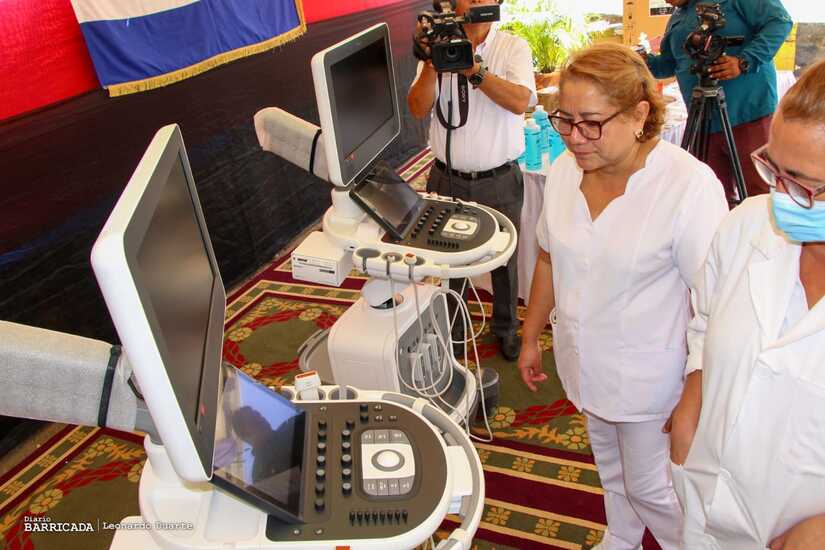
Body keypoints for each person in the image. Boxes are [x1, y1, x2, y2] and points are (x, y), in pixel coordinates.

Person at [517, 43, 728, 550]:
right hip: (585, 360)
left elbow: (717, 305)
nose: (574, 137)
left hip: (650, 379)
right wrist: (530, 336)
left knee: (652, 488)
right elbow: (548, 256)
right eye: (564, 120)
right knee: (610, 469)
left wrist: (696, 395)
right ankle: (621, 534)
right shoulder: (566, 169)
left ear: (638, 115)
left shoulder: (687, 186)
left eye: (591, 123)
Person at [667, 59, 825, 549]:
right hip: (707, 496)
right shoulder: (748, 225)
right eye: (772, 169)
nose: (779, 197)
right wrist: (693, 397)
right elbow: (707, 317)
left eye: (802, 184)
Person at [407, 0, 536, 361]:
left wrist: (473, 71)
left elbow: (521, 101)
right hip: (446, 178)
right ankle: (455, 329)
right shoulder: (439, 42)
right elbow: (417, 107)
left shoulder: (512, 46)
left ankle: (506, 329)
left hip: (499, 177)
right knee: (449, 261)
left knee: (504, 260)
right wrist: (431, 63)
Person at [646, 0, 792, 205]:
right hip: (704, 121)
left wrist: (744, 61)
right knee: (711, 196)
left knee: (761, 195)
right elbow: (669, 64)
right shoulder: (678, 16)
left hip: (748, 115)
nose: (665, 1)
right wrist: (640, 61)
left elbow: (780, 22)